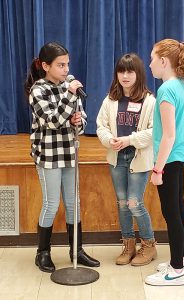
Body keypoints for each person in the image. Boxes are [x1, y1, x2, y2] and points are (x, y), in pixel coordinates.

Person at [24, 41, 100, 273]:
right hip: (48, 154)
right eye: (60, 65)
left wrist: (80, 121)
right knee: (51, 203)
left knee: (73, 203)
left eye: (67, 64)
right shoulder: (38, 90)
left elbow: (81, 115)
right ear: (46, 66)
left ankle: (76, 249)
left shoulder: (70, 85)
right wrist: (69, 96)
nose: (66, 69)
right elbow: (53, 121)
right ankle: (43, 252)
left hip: (69, 152)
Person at [145, 39, 184, 286]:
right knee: (179, 209)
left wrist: (157, 168)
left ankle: (177, 270)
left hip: (170, 158)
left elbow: (169, 135)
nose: (149, 65)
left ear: (163, 61)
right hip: (180, 156)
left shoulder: (166, 90)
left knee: (171, 213)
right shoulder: (179, 85)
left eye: (152, 59)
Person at [96, 53, 157, 266]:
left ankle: (148, 245)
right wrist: (109, 139)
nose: (125, 75)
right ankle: (128, 244)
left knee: (134, 202)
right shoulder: (110, 99)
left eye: (130, 71)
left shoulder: (149, 101)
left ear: (138, 74)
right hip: (117, 158)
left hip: (138, 158)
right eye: (121, 71)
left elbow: (153, 132)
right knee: (122, 203)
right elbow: (101, 126)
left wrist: (129, 139)